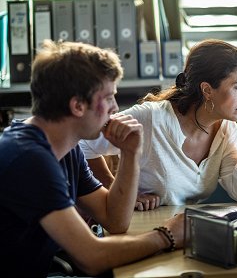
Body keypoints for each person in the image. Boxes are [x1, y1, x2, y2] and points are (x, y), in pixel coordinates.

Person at [0, 40, 184, 277]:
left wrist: (130, 154)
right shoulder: (29, 158)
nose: (115, 108)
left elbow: (114, 220)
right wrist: (167, 236)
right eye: (108, 98)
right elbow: (91, 257)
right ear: (77, 105)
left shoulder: (66, 148)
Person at [80, 39, 237, 210]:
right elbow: (82, 142)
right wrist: (117, 191)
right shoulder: (152, 118)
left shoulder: (226, 130)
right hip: (136, 228)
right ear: (207, 90)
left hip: (178, 231)